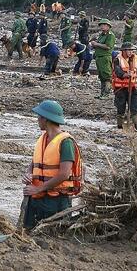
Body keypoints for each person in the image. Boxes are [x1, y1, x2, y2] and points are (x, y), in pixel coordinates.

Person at [22, 100, 83, 230]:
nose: (37, 119)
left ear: (46, 119)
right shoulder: (43, 139)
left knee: (52, 235)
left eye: (39, 116)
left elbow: (64, 174)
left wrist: (38, 188)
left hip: (56, 201)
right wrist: (28, 173)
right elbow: (34, 163)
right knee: (27, 231)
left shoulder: (66, 142)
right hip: (37, 199)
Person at [112, 41, 137, 131]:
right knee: (121, 108)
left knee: (135, 107)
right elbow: (117, 71)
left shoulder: (133, 59)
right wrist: (125, 75)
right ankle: (120, 128)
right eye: (129, 50)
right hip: (120, 89)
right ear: (123, 51)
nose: (131, 52)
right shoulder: (117, 60)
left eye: (132, 50)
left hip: (132, 88)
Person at [89, 19, 116, 99]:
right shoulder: (101, 35)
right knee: (101, 76)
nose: (102, 26)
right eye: (101, 25)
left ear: (108, 26)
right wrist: (93, 44)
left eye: (104, 25)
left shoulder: (110, 35)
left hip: (105, 57)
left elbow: (108, 46)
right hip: (99, 57)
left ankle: (106, 94)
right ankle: (102, 93)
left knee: (107, 76)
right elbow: (98, 44)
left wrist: (96, 44)